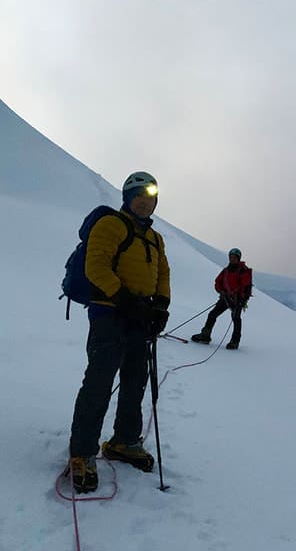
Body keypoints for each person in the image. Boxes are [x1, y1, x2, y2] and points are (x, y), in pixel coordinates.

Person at [68, 171, 171, 494]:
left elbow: (162, 272)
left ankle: (124, 441)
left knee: (134, 379)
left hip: (139, 317)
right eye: (139, 197)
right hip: (108, 313)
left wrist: (161, 304)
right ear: (128, 198)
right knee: (99, 382)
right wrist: (124, 298)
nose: (145, 203)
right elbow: (95, 266)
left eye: (150, 198)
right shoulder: (111, 224)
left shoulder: (155, 238)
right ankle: (82, 453)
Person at [191, 248, 252, 350]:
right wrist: (221, 291)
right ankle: (205, 335)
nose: (232, 259)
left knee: (236, 319)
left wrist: (243, 299)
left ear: (238, 258)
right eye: (231, 257)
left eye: (234, 258)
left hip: (237, 300)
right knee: (213, 314)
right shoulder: (226, 270)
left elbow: (246, 286)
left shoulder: (243, 270)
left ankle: (234, 341)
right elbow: (217, 282)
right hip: (226, 298)